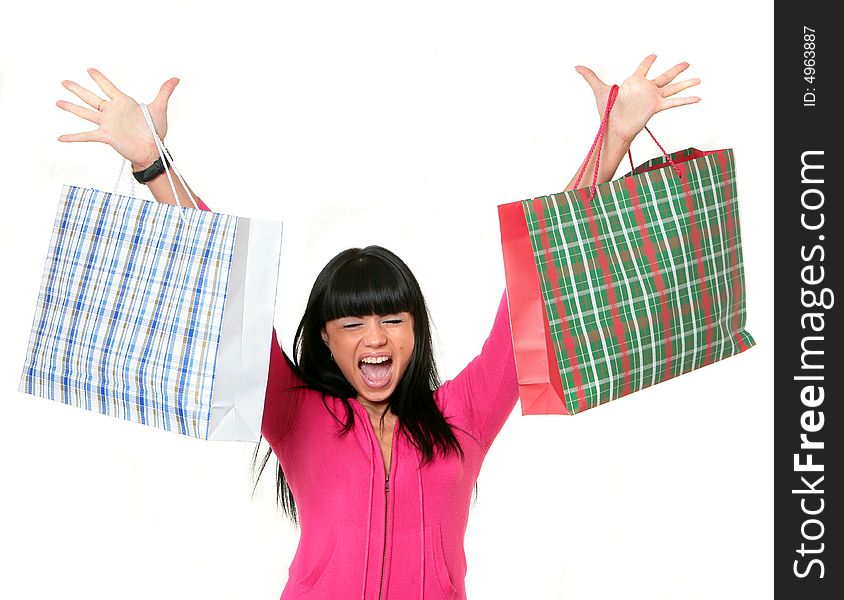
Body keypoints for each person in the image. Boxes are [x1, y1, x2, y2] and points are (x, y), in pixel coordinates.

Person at [56, 55, 700, 600]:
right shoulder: (293, 411)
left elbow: (539, 282)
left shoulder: (464, 414)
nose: (375, 339)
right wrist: (151, 162)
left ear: (416, 331)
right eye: (352, 322)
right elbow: (229, 288)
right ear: (327, 340)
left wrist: (611, 143)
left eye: (393, 319)